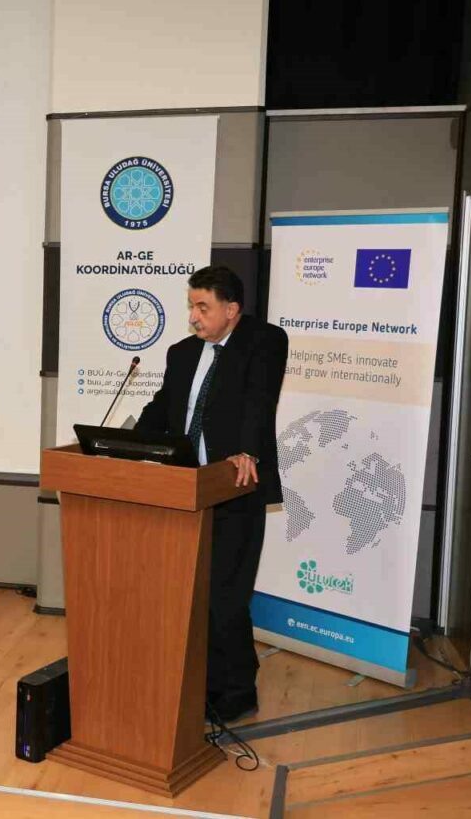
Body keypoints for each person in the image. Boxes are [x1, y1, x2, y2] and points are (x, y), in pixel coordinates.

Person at [136, 265, 288, 724]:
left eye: (203, 307)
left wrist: (247, 451)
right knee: (190, 594)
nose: (193, 317)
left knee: (226, 594)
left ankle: (237, 692)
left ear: (232, 309)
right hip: (185, 489)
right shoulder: (182, 353)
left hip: (233, 485)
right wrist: (116, 445)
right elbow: (162, 409)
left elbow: (259, 402)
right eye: (191, 306)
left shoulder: (263, 342)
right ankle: (201, 683)